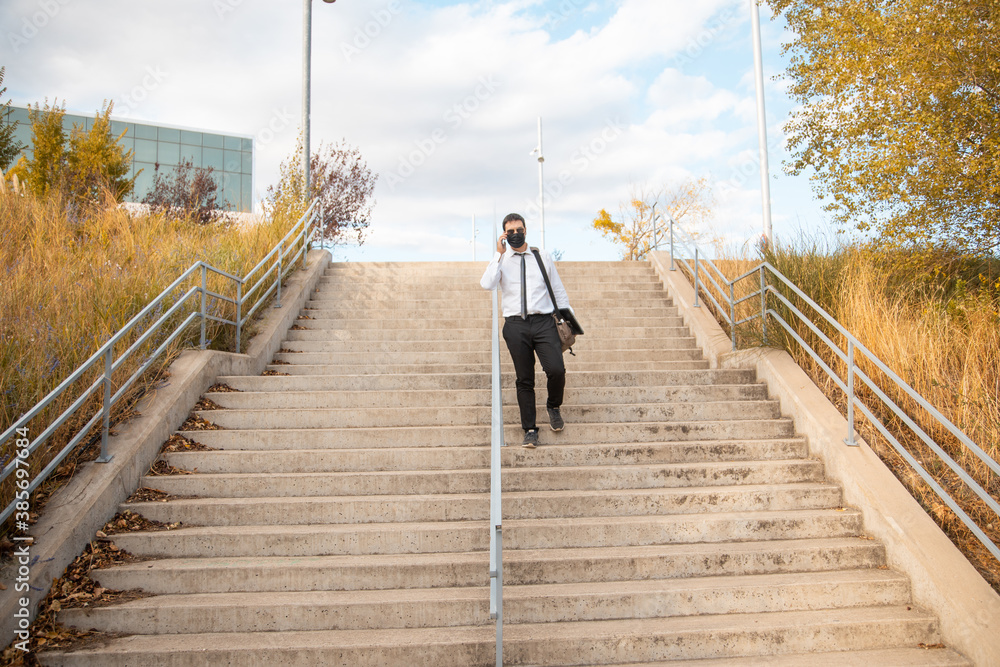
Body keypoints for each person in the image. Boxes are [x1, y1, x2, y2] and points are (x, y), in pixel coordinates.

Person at [480, 213, 573, 448]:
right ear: (504, 235)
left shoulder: (541, 256)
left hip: (543, 323)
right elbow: (487, 284)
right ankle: (530, 428)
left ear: (525, 230)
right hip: (515, 326)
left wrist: (568, 319)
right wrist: (497, 255)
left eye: (518, 229)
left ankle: (553, 405)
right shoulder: (502, 260)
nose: (515, 234)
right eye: (509, 232)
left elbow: (558, 290)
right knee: (524, 379)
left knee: (556, 369)